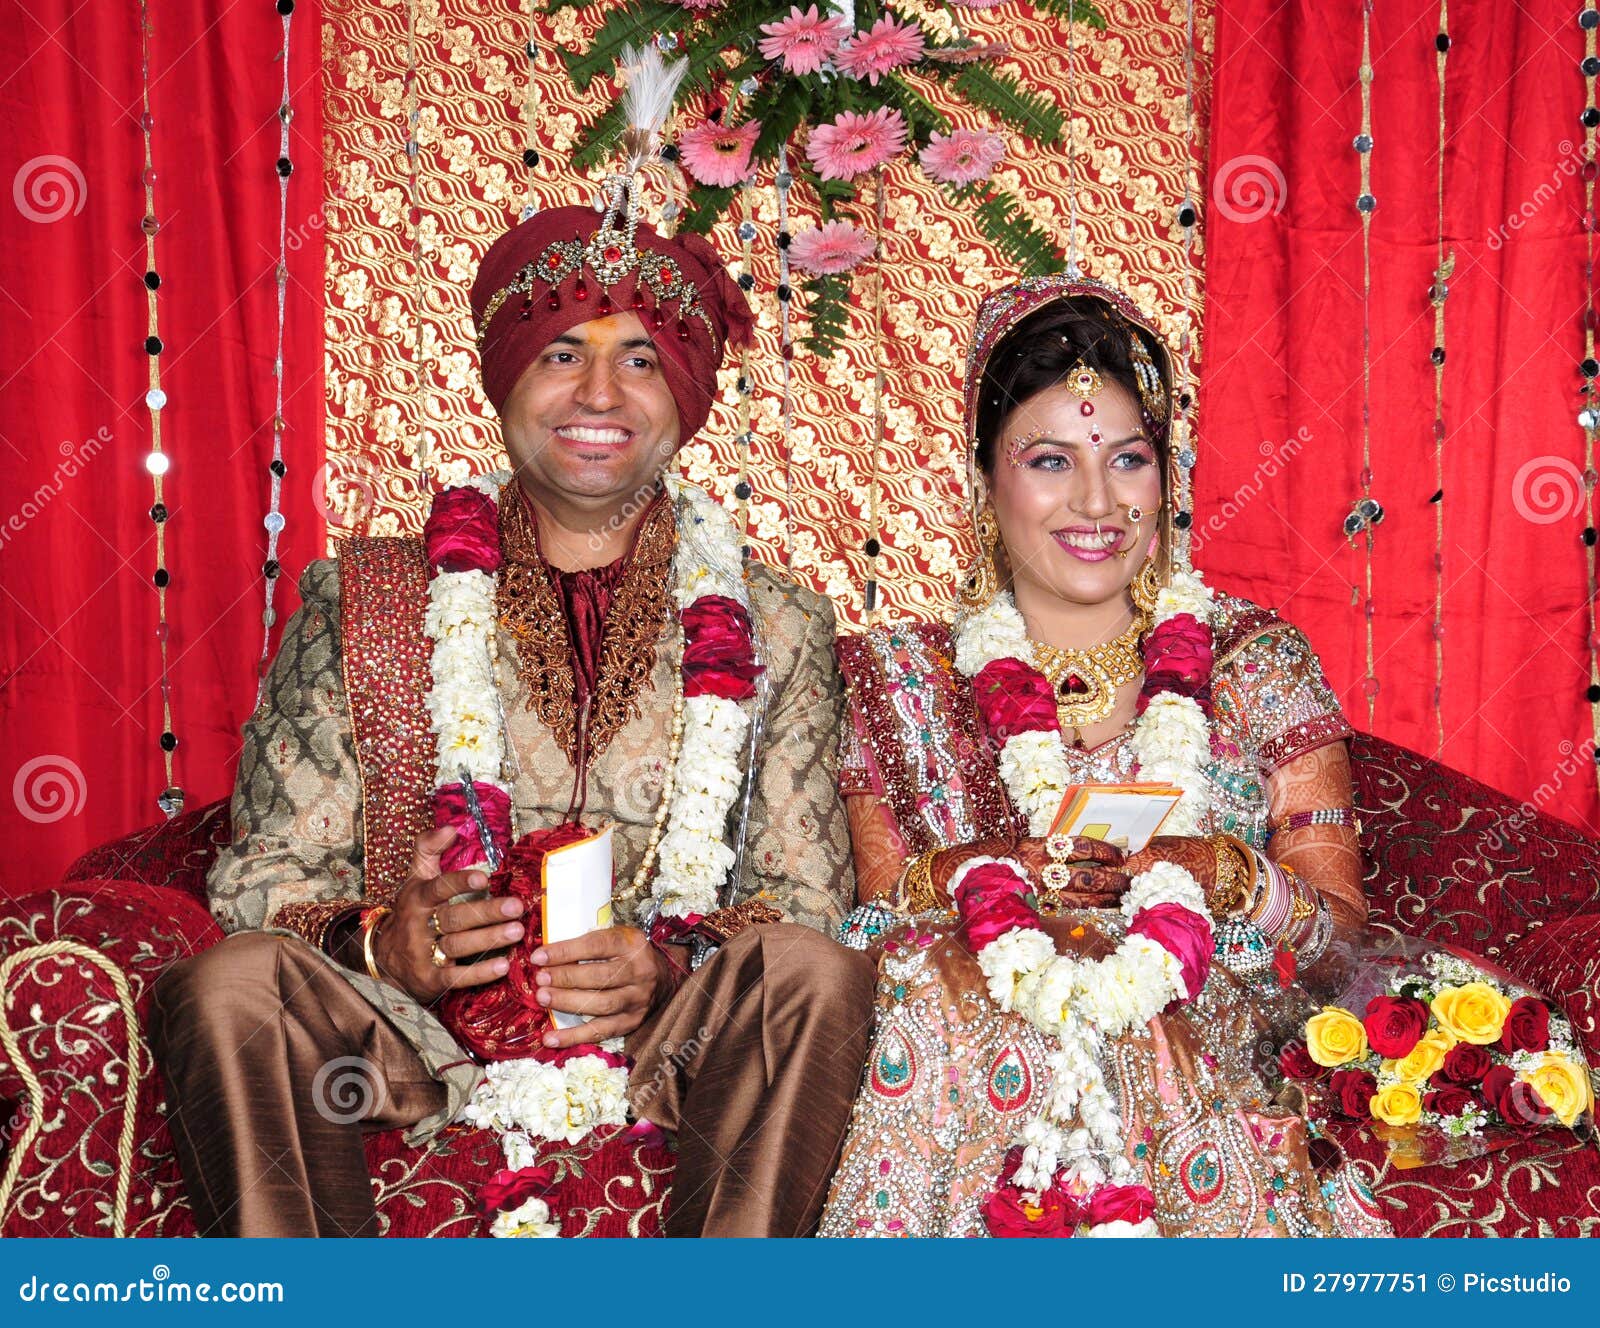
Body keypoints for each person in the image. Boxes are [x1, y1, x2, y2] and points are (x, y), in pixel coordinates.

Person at [149, 197, 874, 1239]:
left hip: (667, 1039)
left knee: (812, 970)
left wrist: (664, 962)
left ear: (687, 393)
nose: (597, 394)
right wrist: (382, 943)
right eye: (559, 354)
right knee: (227, 985)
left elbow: (800, 896)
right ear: (505, 378)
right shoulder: (373, 597)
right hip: (410, 1034)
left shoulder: (777, 622)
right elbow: (263, 877)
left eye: (637, 358)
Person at [820, 274, 1392, 1238]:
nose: (1097, 501)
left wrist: (1226, 876)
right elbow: (865, 933)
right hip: (958, 1042)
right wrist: (971, 878)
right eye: (1049, 460)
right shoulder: (898, 679)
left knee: (1132, 1020)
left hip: (1204, 1039)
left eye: (1127, 460)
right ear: (983, 479)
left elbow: (1344, 948)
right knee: (941, 990)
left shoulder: (1255, 660)